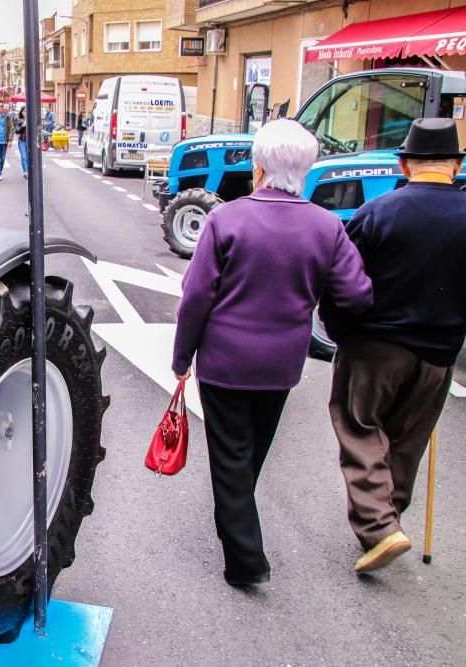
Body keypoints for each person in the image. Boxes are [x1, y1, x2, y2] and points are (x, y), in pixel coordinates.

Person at [171, 119, 372, 588]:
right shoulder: (326, 226)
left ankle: (245, 561)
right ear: (306, 168)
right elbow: (357, 295)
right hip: (282, 363)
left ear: (259, 167)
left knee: (230, 457)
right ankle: (236, 517)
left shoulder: (227, 218)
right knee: (251, 452)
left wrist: (182, 357)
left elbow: (196, 296)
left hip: (224, 361)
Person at [322, 117, 466, 574]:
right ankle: (389, 522)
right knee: (407, 441)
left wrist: (337, 329)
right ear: (455, 166)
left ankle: (381, 529)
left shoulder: (378, 213)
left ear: (404, 163)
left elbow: (343, 283)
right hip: (439, 352)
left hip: (374, 344)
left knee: (360, 428)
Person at [16, 106, 28, 179]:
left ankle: (29, 171)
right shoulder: (20, 120)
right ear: (22, 112)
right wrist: (23, 126)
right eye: (25, 111)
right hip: (22, 141)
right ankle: (25, 172)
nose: (26, 113)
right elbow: (17, 131)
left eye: (27, 111)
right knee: (23, 157)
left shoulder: (32, 119)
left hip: (30, 142)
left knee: (29, 157)